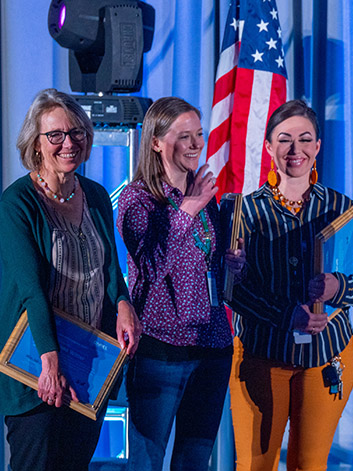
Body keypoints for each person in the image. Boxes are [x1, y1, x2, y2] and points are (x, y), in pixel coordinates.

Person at [224, 100, 353, 470]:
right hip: (262, 352)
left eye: (305, 140)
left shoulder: (341, 207)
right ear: (268, 147)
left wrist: (335, 287)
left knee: (309, 464)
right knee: (255, 465)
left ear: (318, 147)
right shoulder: (243, 210)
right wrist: (285, 315)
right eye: (285, 140)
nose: (296, 150)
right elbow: (232, 291)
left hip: (328, 355)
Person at [0, 88, 141, 471]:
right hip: (37, 366)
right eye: (55, 135)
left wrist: (124, 304)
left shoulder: (94, 194)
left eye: (76, 133)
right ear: (36, 144)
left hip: (89, 365)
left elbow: (110, 268)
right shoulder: (17, 204)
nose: (68, 143)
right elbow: (32, 292)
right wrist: (51, 363)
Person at [116, 97, 245, 471]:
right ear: (156, 141)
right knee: (146, 460)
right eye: (184, 136)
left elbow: (205, 266)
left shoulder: (206, 196)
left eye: (199, 135)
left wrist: (234, 264)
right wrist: (186, 210)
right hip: (160, 350)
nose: (195, 144)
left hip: (212, 347)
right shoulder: (138, 199)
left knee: (194, 461)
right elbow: (151, 265)